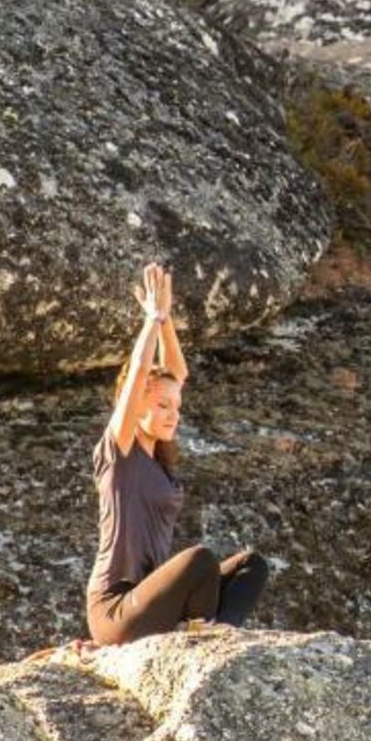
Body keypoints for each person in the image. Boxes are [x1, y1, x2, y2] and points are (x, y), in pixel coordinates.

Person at [84, 261, 268, 644]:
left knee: (252, 565)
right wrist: (151, 320)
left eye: (177, 408)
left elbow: (176, 374)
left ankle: (214, 635)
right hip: (117, 609)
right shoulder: (119, 454)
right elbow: (138, 373)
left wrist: (167, 321)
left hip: (155, 602)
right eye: (163, 406)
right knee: (199, 559)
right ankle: (199, 635)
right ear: (137, 408)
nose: (174, 415)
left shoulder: (160, 463)